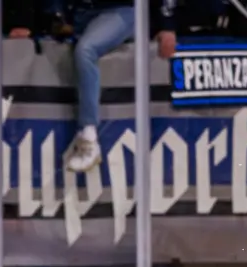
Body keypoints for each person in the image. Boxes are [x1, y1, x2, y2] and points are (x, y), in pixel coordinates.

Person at [60, 1, 178, 173]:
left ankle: (89, 137)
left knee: (86, 50)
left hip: (122, 10)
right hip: (80, 12)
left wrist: (167, 23)